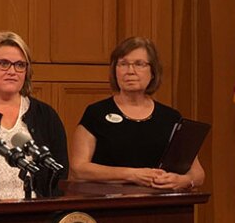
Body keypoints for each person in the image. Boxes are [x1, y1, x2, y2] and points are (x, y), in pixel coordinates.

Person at [69, 36, 205, 190]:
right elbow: (78, 169)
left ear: (153, 71)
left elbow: (198, 173)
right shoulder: (96, 113)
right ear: (115, 70)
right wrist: (131, 174)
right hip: (107, 202)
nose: (130, 71)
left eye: (139, 64)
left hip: (161, 204)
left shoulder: (170, 117)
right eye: (123, 64)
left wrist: (182, 181)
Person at [0, 32, 68, 200]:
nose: (12, 71)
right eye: (3, 63)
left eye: (20, 65)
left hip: (34, 213)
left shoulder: (45, 115)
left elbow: (59, 173)